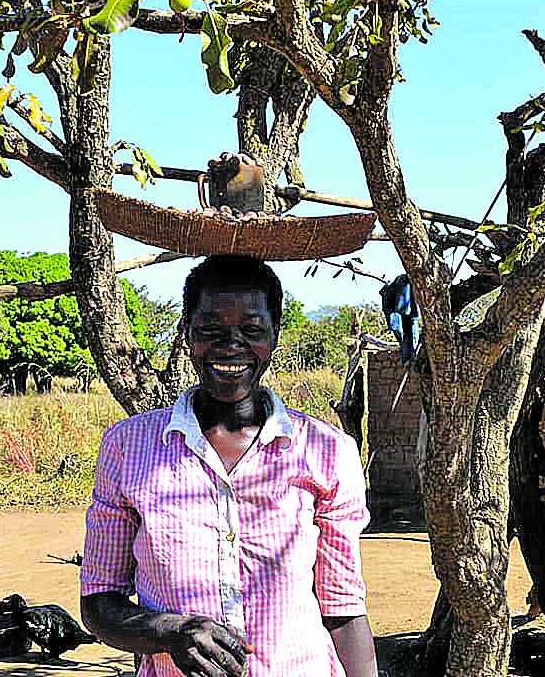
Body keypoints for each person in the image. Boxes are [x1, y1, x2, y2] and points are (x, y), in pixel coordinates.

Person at [80, 254, 378, 677]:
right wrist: (170, 631)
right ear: (186, 334)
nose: (231, 345)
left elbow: (344, 609)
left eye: (251, 330)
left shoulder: (328, 451)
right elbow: (100, 602)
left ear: (274, 336)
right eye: (211, 330)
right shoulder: (128, 447)